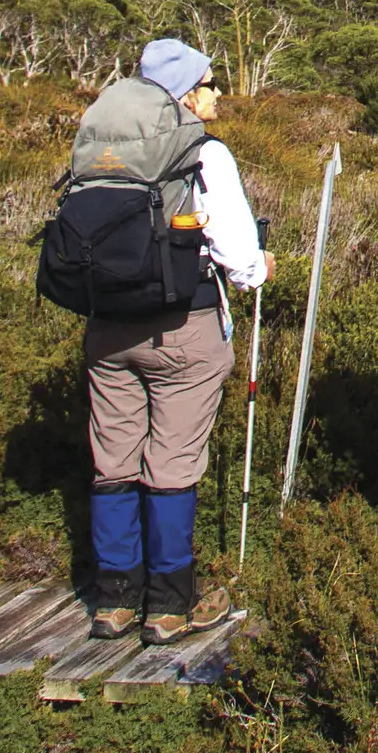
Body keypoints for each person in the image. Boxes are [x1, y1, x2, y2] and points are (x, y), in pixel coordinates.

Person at [75, 38, 274, 643]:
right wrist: (257, 270)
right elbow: (239, 257)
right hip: (182, 327)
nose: (218, 93)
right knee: (173, 460)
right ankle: (168, 603)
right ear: (187, 92)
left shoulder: (100, 143)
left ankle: (112, 599)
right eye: (211, 83)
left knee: (112, 458)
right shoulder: (204, 153)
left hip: (106, 326)